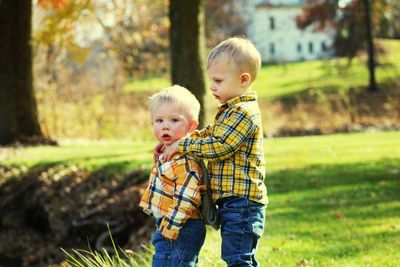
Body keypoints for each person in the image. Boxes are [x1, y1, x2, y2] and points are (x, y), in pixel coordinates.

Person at [162, 37, 269, 266]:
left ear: (243, 79)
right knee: (236, 255)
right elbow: (210, 133)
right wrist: (183, 138)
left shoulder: (243, 112)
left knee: (238, 257)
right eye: (211, 80)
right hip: (233, 202)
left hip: (243, 202)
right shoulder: (230, 111)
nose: (212, 86)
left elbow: (219, 146)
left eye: (218, 80)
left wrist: (183, 145)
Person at [139, 85, 206, 267]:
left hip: (182, 226)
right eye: (159, 121)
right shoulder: (169, 154)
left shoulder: (183, 160)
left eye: (174, 120)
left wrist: (169, 226)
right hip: (171, 223)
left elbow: (188, 195)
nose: (165, 126)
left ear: (191, 126)